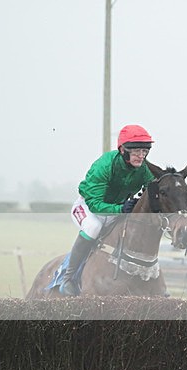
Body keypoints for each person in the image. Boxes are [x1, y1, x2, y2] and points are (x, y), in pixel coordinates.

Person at [58, 124, 156, 296]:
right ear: (124, 150)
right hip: (87, 207)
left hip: (116, 209)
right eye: (136, 152)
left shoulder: (144, 168)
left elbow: (152, 187)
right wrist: (121, 208)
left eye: (144, 151)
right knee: (93, 227)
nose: (141, 156)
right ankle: (68, 277)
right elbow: (95, 204)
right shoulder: (104, 166)